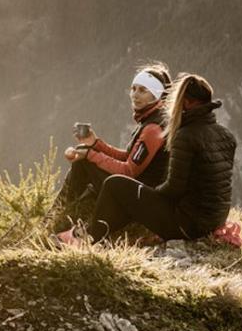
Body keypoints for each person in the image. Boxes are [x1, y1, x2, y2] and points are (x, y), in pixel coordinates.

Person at [81, 72, 236, 244]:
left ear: (185, 103)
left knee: (114, 183)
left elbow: (174, 188)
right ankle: (93, 233)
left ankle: (88, 237)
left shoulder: (185, 136)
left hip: (187, 225)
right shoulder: (226, 135)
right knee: (130, 191)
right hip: (215, 221)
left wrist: (148, 197)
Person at [51, 64, 171, 244]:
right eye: (133, 89)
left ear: (156, 95)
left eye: (143, 90)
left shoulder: (153, 129)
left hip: (139, 196)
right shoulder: (152, 120)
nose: (135, 95)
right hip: (139, 189)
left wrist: (91, 155)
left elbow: (129, 171)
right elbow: (127, 157)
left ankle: (58, 214)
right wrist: (95, 143)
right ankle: (62, 212)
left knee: (83, 163)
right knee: (83, 161)